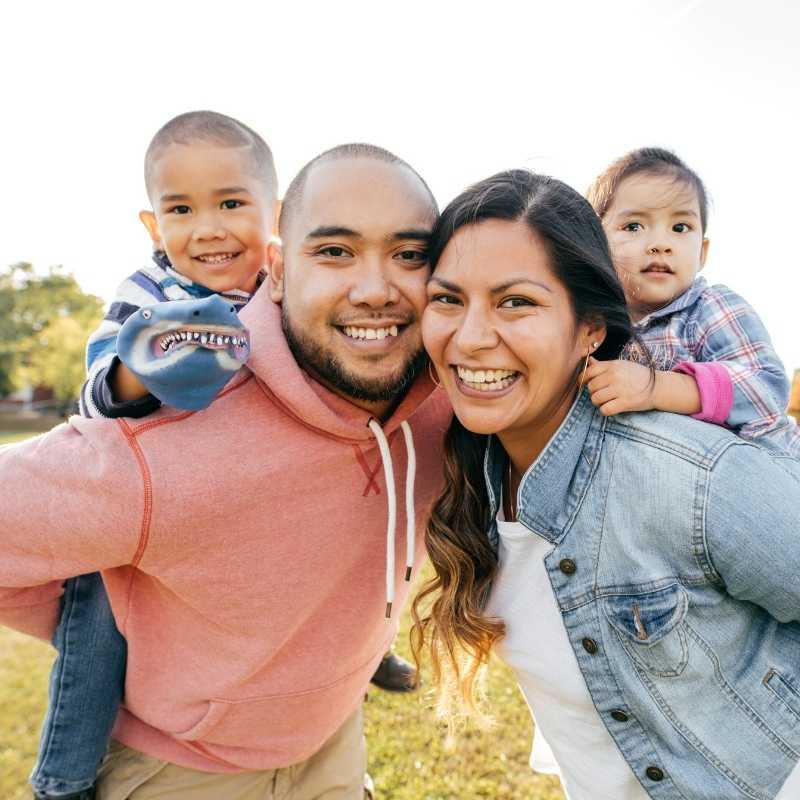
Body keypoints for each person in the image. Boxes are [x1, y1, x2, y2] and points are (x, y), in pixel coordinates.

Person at [0, 143, 450, 800]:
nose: (376, 289)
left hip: (333, 742)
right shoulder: (163, 440)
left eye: (409, 255)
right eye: (333, 251)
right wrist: (130, 626)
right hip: (180, 772)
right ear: (278, 268)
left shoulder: (446, 399)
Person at [412, 168, 800, 799]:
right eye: (448, 299)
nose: (472, 337)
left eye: (517, 301)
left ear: (592, 329)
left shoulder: (687, 473)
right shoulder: (473, 473)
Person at [32, 109, 279, 800]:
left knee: (324, 555)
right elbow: (91, 395)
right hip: (135, 506)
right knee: (98, 625)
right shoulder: (150, 293)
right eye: (182, 208)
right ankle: (65, 778)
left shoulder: (285, 289)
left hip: (249, 497)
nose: (207, 226)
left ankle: (366, 658)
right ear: (153, 227)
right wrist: (139, 369)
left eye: (231, 203)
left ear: (275, 213)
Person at [582, 147, 800, 456]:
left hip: (774, 474)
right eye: (634, 226)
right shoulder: (594, 330)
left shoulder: (711, 308)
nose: (660, 244)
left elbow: (766, 389)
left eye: (680, 228)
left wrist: (657, 387)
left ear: (702, 253)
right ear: (595, 246)